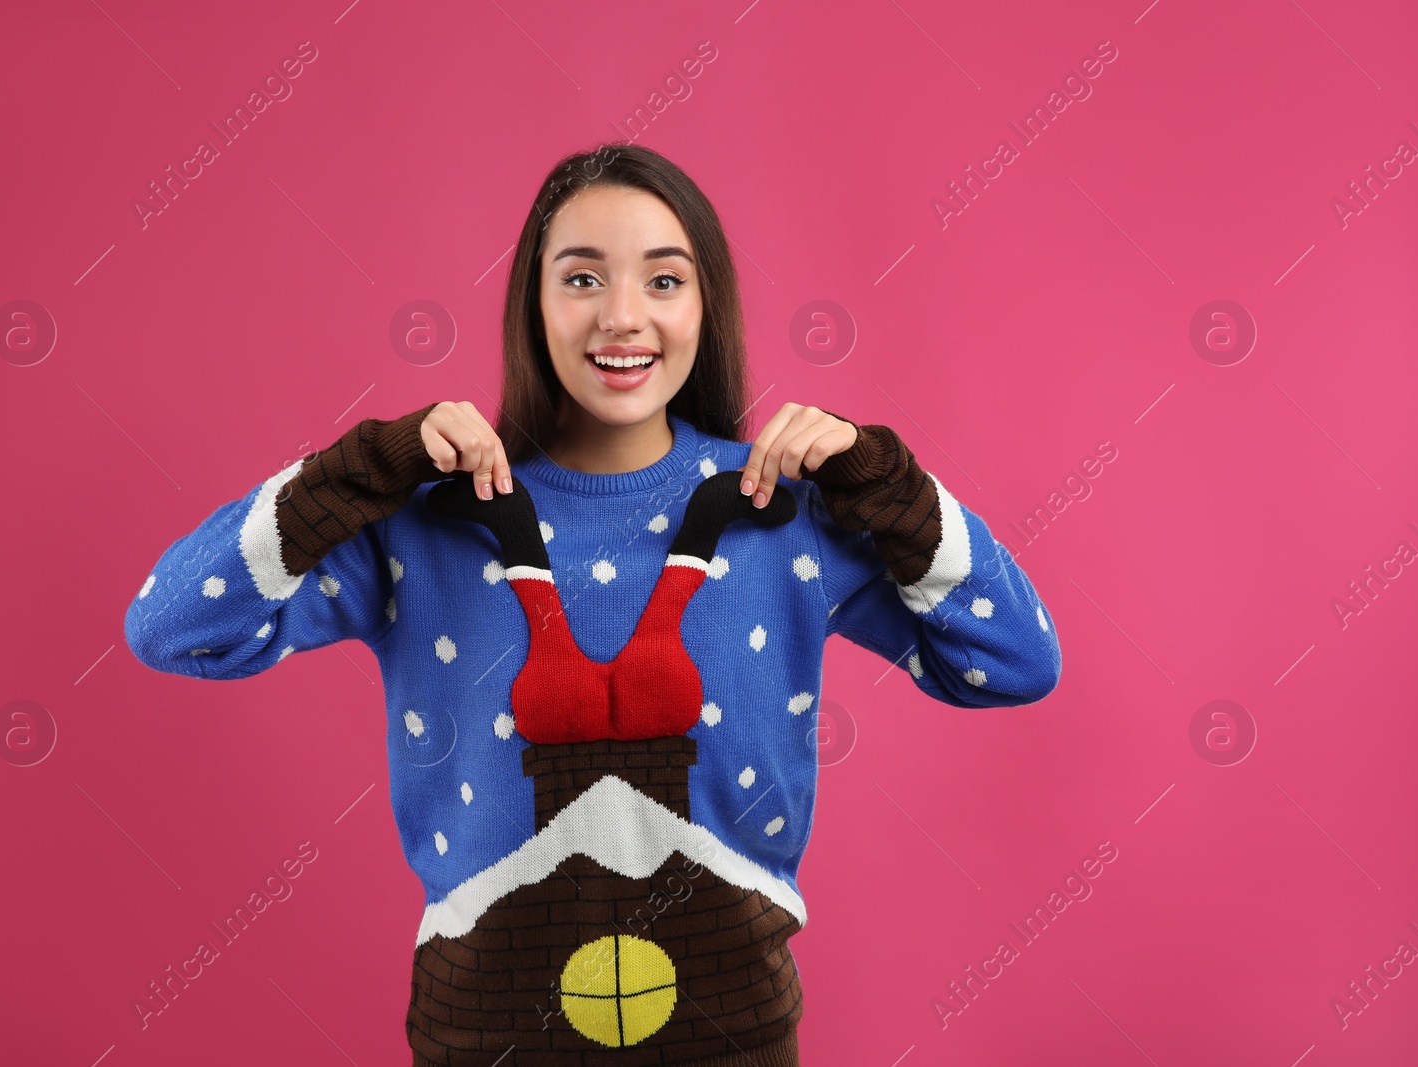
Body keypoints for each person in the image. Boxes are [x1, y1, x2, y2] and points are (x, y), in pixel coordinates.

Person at [124, 142, 1061, 1066]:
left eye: (664, 280)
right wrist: (359, 468)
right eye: (581, 279)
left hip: (734, 1037)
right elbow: (171, 627)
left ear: (706, 306)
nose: (623, 317)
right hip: (480, 1037)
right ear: (533, 304)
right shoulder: (426, 518)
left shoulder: (787, 510)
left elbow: (1016, 661)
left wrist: (891, 488)